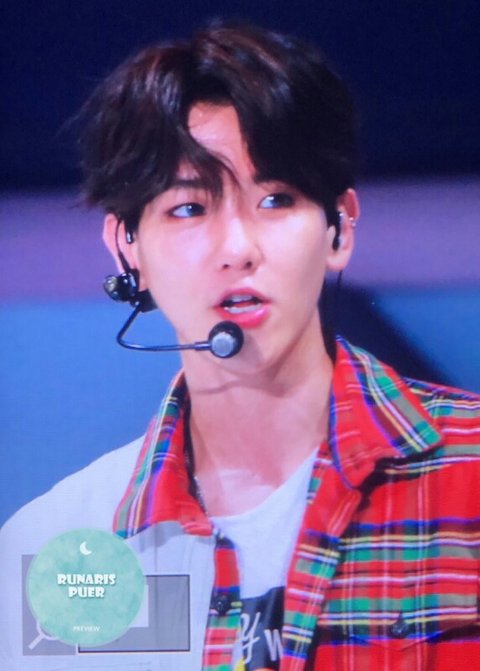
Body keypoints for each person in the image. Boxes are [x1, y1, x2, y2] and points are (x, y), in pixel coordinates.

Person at [1, 20, 480, 671]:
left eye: (276, 200)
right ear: (126, 249)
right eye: (190, 208)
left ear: (340, 228)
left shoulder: (467, 472)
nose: (238, 248)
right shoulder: (58, 544)